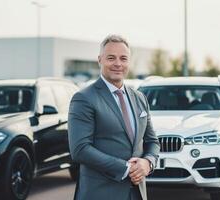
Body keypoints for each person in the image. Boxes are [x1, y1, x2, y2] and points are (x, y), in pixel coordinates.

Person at [68, 34, 160, 200]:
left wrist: (148, 162)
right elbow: (80, 149)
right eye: (111, 58)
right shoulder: (84, 98)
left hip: (137, 192)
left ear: (129, 62)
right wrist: (125, 168)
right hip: (100, 193)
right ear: (100, 60)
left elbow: (152, 141)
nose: (118, 63)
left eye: (123, 58)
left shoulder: (139, 98)